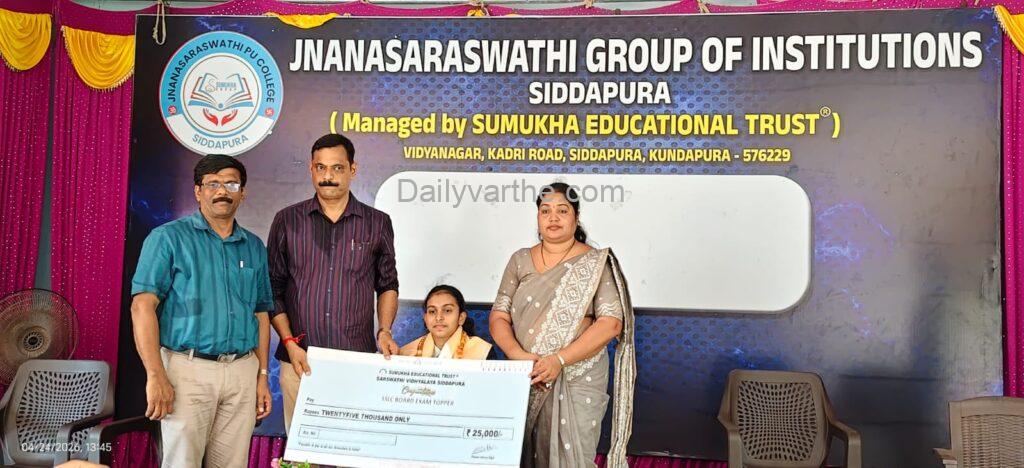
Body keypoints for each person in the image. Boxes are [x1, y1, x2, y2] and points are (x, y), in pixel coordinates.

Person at [130, 154, 273, 468]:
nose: (222, 191)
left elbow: (261, 314)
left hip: (242, 372)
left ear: (243, 192)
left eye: (231, 184)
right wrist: (156, 374)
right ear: (198, 191)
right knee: (182, 463)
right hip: (187, 370)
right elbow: (142, 307)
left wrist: (262, 376)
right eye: (213, 184)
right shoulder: (168, 238)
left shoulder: (254, 247)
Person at [489, 182, 636, 468]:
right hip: (526, 375)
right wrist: (519, 356)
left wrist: (559, 360)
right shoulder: (520, 260)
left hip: (576, 376)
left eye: (562, 210)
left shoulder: (595, 262)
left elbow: (610, 323)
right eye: (545, 211)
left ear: (576, 217)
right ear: (537, 217)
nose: (553, 217)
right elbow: (499, 315)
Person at [268, 133, 400, 432]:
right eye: (321, 168)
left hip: (355, 361)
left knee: (350, 447)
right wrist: (289, 343)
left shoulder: (377, 222)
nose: (328, 176)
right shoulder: (287, 221)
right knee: (303, 450)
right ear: (311, 169)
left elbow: (388, 284)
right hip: (299, 359)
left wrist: (385, 330)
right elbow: (272, 289)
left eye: (337, 168)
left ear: (353, 169)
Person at [399, 285, 494, 359]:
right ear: (425, 318)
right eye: (432, 311)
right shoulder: (406, 353)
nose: (438, 318)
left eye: (447, 310)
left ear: (461, 318)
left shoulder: (482, 351)